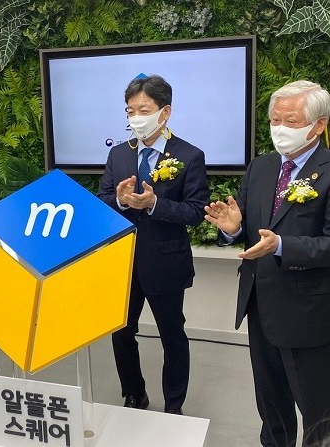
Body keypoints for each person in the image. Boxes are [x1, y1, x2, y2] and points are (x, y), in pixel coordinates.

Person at [204, 80, 330, 446]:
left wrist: (282, 246)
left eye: (291, 121)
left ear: (318, 125)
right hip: (260, 304)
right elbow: (245, 225)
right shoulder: (260, 167)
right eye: (275, 120)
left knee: (318, 412)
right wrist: (233, 228)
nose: (280, 129)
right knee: (271, 403)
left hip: (309, 313)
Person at [97, 75, 209, 414]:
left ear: (165, 112)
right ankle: (134, 393)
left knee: (172, 335)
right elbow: (102, 200)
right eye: (130, 111)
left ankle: (174, 404)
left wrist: (154, 204)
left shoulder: (189, 155)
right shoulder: (119, 154)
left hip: (165, 262)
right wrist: (119, 200)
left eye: (143, 110)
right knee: (121, 333)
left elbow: (195, 212)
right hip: (124, 262)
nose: (136, 118)